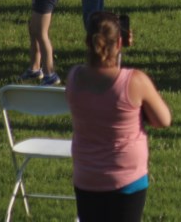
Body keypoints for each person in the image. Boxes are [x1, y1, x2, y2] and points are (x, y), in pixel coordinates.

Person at [66, 11, 172, 221]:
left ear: (88, 41)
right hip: (127, 179)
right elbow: (164, 119)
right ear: (120, 43)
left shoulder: (74, 77)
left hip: (87, 176)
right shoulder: (134, 81)